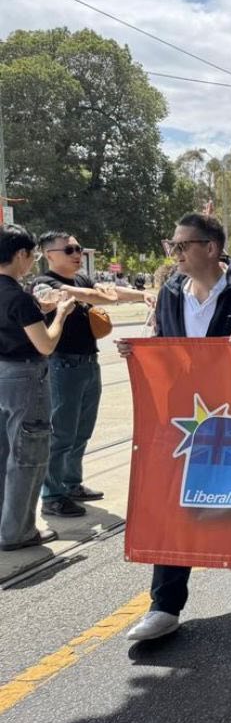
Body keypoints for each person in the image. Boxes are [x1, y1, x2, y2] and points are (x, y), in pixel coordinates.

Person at [122, 211, 231, 641]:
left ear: (211, 248)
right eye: (173, 246)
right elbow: (165, 348)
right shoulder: (170, 293)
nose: (175, 254)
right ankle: (165, 605)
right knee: (176, 501)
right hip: (187, 418)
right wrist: (138, 353)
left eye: (183, 245)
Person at [33, 231, 149, 519]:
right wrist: (103, 295)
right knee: (61, 433)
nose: (77, 254)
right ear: (49, 255)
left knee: (82, 430)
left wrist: (143, 295)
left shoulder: (81, 279)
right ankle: (53, 495)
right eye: (69, 250)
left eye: (78, 249)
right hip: (62, 366)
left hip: (88, 363)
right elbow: (92, 295)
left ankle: (71, 483)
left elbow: (110, 292)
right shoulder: (44, 284)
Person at [0, 226, 77, 552]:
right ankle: (18, 531)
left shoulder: (15, 297)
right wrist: (60, 314)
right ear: (21, 254)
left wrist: (38, 310)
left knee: (4, 454)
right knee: (28, 456)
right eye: (32, 256)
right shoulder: (19, 298)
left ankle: (6, 524)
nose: (32, 262)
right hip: (26, 378)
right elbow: (45, 344)